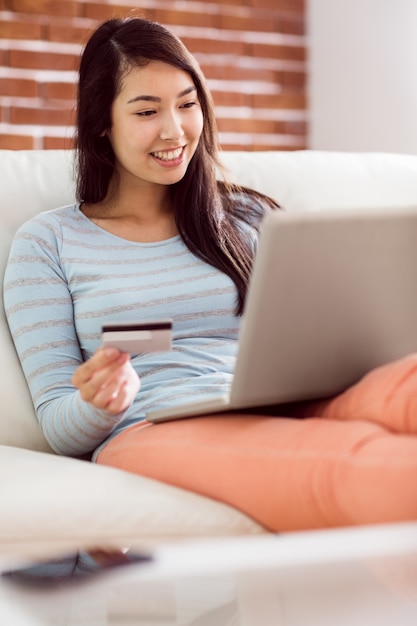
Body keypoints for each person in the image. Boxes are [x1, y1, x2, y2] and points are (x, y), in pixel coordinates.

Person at [4, 17, 417, 532]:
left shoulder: (246, 218)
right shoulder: (49, 243)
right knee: (359, 464)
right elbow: (59, 424)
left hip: (275, 397)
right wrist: (99, 403)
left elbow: (311, 338)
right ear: (102, 123)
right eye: (147, 110)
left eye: (187, 103)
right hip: (152, 424)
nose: (174, 130)